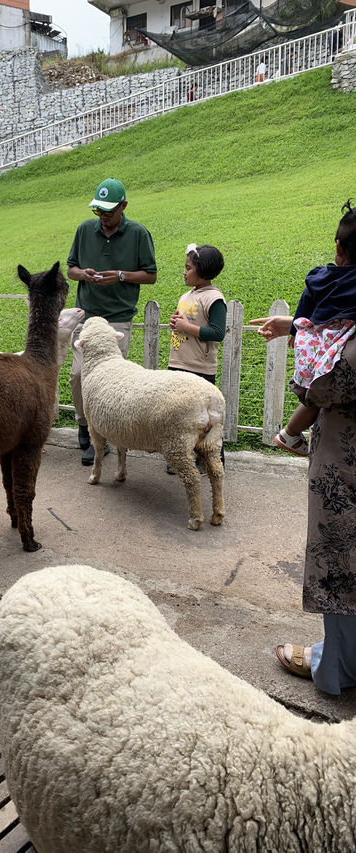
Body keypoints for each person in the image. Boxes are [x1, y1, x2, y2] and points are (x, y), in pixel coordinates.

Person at [250, 201, 356, 696]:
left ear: (339, 250)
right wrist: (297, 327)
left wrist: (304, 335)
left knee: (342, 562)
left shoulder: (343, 333)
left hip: (344, 464)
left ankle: (335, 667)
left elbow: (319, 386)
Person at [67, 178, 157, 466]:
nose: (103, 217)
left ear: (123, 206)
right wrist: (83, 274)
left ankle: (101, 439)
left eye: (108, 211)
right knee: (79, 376)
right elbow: (71, 269)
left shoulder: (138, 233)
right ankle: (85, 425)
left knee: (109, 383)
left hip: (117, 318)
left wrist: (120, 275)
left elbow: (151, 274)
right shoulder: (84, 230)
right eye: (99, 211)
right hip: (87, 316)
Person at [272, 201, 356, 457]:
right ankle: (289, 434)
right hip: (337, 349)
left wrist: (295, 332)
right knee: (318, 399)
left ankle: (290, 434)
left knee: (313, 399)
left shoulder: (319, 277)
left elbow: (304, 307)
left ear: (338, 246)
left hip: (314, 348)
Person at [167, 242, 226, 471]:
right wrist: (176, 323)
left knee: (205, 418)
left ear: (203, 272)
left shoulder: (214, 298)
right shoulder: (188, 295)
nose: (184, 271)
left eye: (189, 268)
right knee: (181, 416)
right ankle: (183, 458)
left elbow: (218, 333)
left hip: (199, 367)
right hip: (178, 363)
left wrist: (187, 327)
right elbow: (184, 324)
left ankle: (211, 460)